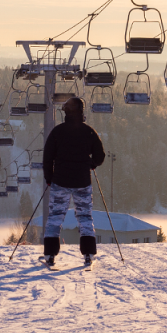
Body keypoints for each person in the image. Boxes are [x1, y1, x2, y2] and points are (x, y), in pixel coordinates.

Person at [41, 97, 105, 267]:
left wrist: (49, 178)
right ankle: (89, 253)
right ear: (82, 112)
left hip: (59, 182)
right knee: (84, 216)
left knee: (55, 217)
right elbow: (100, 157)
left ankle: (50, 254)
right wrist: (90, 164)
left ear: (66, 112)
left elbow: (47, 158)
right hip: (82, 182)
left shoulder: (57, 132)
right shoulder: (89, 132)